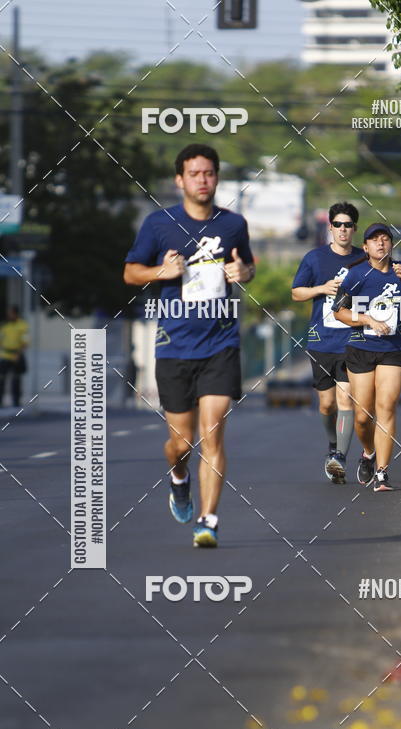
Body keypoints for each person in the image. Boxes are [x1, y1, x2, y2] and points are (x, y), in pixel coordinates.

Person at [123, 143, 255, 548]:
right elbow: (130, 273)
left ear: (217, 178)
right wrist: (161, 271)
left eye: (209, 173)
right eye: (194, 174)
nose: (202, 180)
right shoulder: (158, 224)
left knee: (212, 436)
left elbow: (248, 266)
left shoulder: (233, 224)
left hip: (220, 343)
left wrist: (243, 271)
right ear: (179, 180)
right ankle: (178, 477)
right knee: (180, 444)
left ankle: (208, 520)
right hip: (174, 346)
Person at [333, 223, 401, 492]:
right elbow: (338, 312)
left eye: (385, 238)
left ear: (391, 245)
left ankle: (382, 472)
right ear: (365, 247)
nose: (380, 243)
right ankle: (368, 453)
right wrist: (367, 319)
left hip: (393, 349)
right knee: (363, 416)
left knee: (386, 406)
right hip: (361, 349)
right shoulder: (356, 275)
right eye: (374, 239)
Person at [291, 202, 364, 484]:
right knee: (326, 404)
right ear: (330, 227)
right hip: (321, 341)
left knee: (346, 398)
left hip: (353, 340)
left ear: (354, 229)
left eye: (348, 225)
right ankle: (333, 445)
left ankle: (340, 457)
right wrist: (321, 288)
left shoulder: (364, 259)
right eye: (338, 225)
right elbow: (296, 293)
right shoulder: (315, 258)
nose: (343, 229)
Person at [0, 306, 29, 408]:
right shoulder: (5, 326)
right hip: (5, 355)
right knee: (1, 379)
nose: (9, 315)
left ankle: (16, 402)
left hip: (16, 354)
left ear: (15, 314)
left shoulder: (22, 326)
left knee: (16, 380)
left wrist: (18, 354)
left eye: (11, 313)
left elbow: (25, 342)